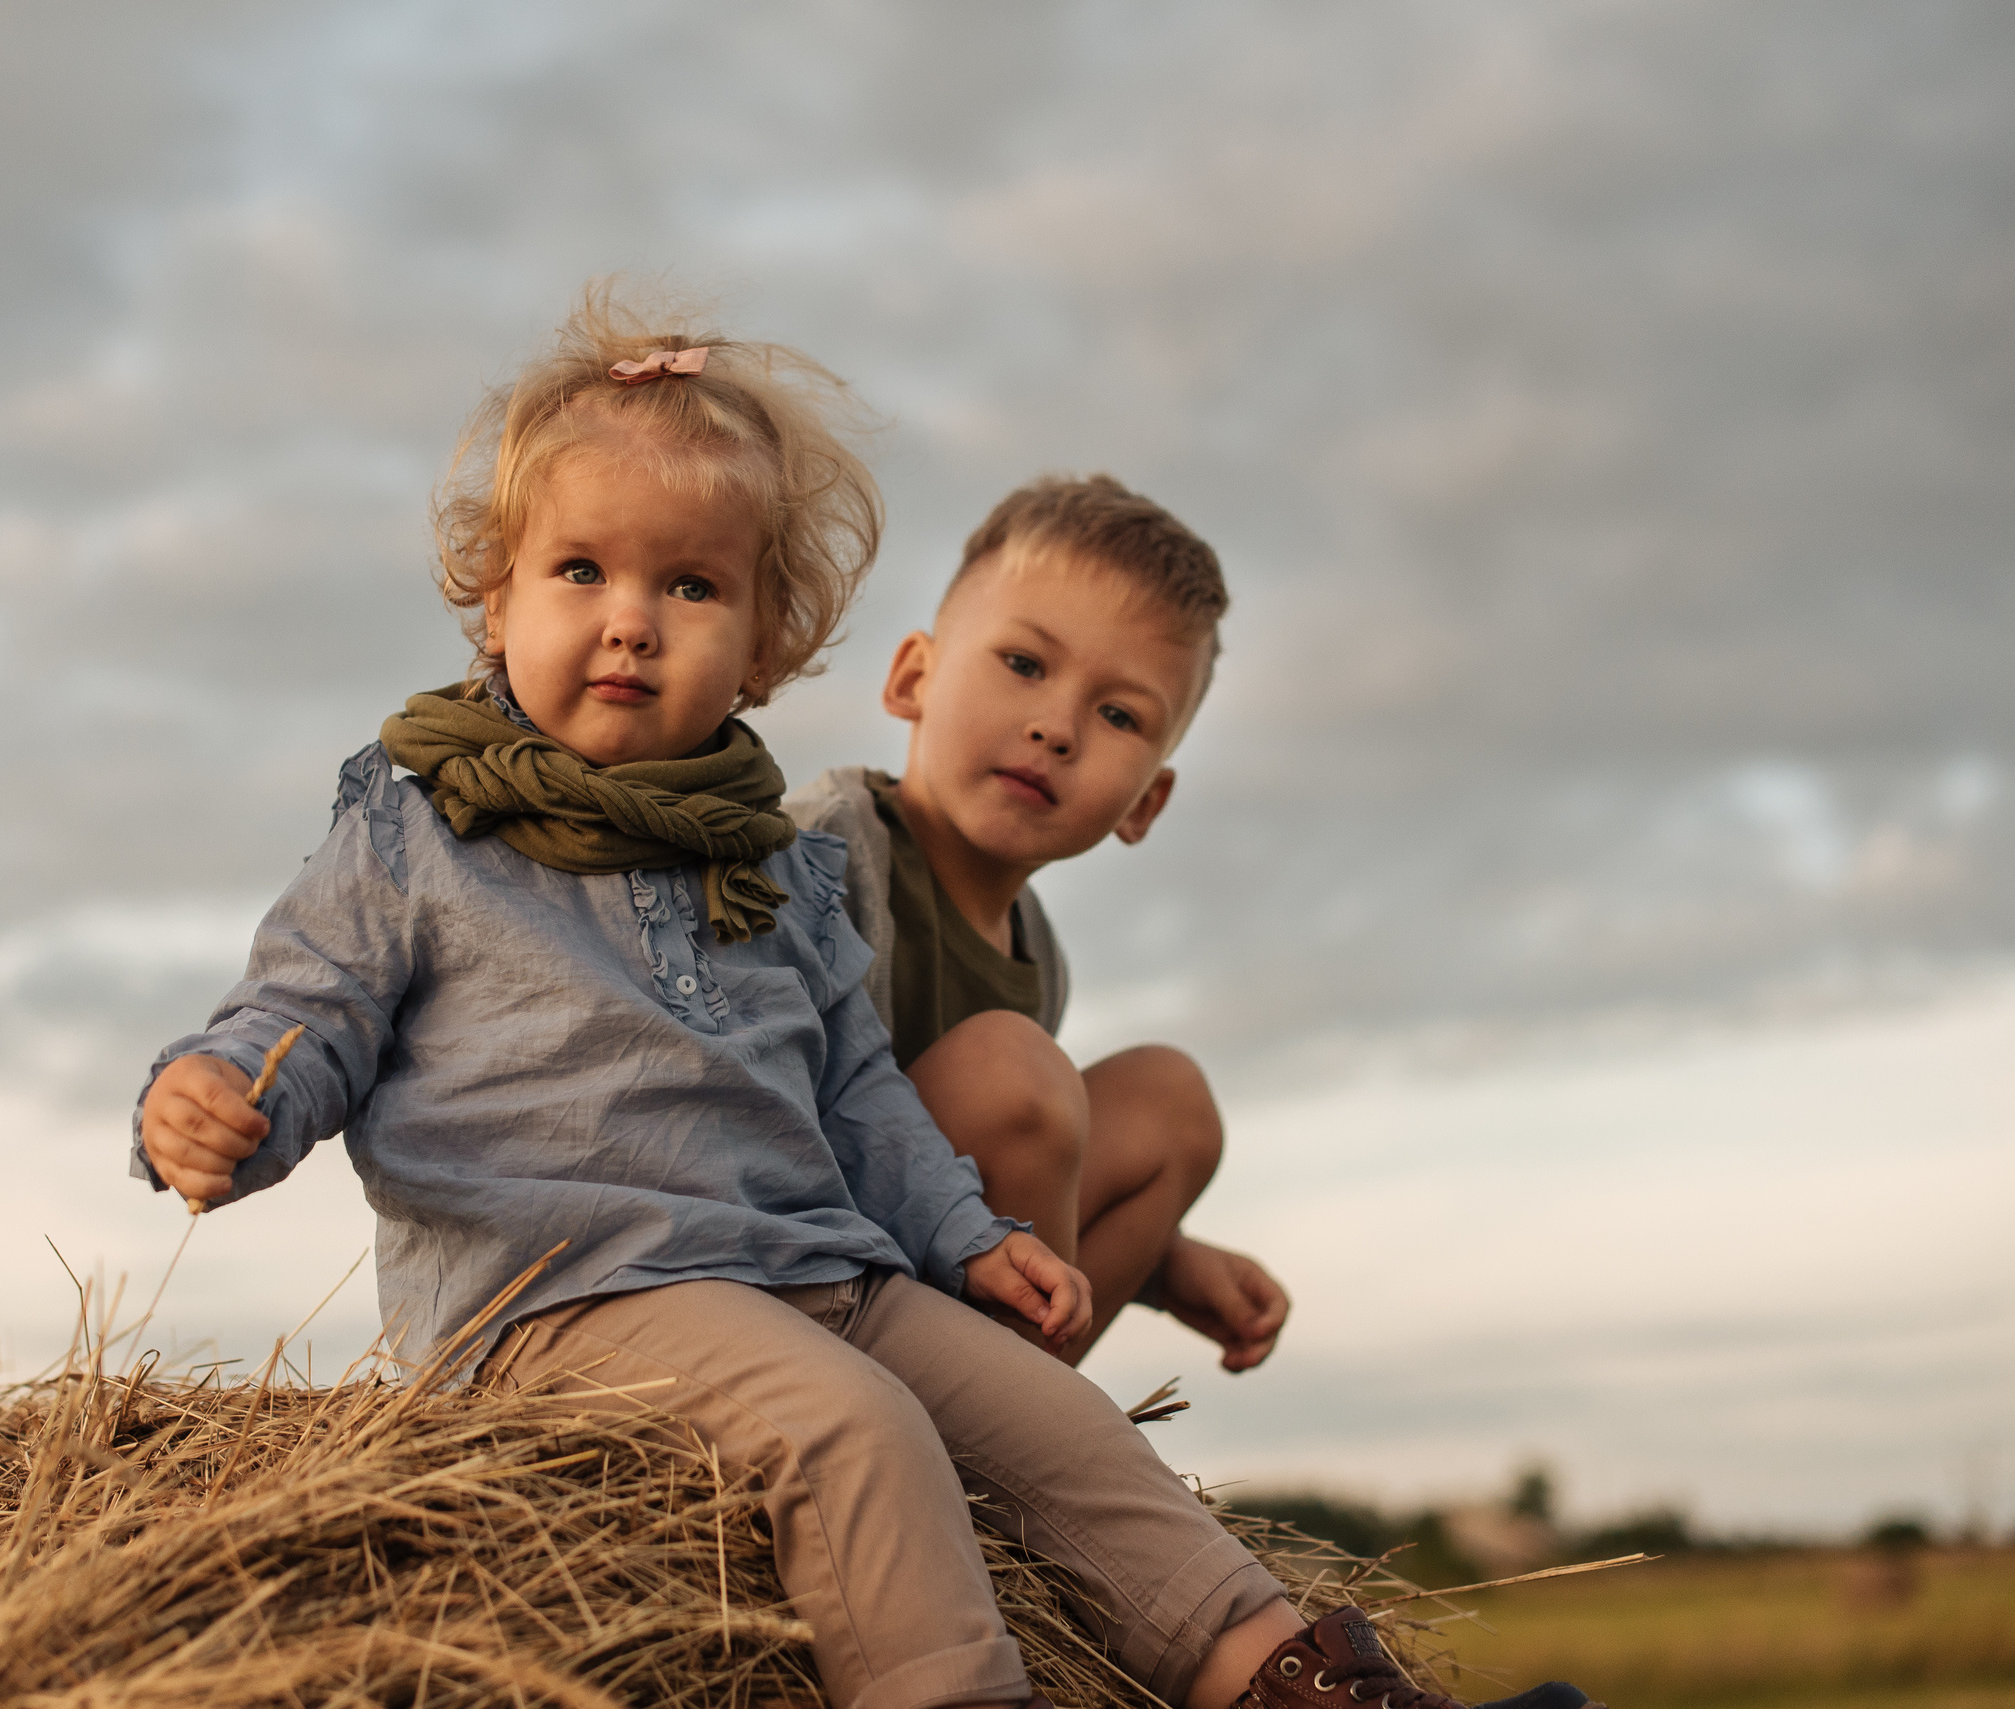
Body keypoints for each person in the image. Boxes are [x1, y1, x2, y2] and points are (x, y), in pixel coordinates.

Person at [131, 287, 1597, 1709]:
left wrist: (968, 1234)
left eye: (690, 586)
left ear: (765, 643)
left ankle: (1300, 1682)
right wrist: (225, 1100)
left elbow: (858, 1091)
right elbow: (309, 1008)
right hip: (564, 1293)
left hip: (814, 1269)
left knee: (1066, 1431)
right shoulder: (416, 827)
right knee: (856, 1430)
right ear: (493, 593)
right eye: (581, 571)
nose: (631, 621)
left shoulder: (779, 866)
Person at [788, 477, 1289, 1366]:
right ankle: (1028, 1429)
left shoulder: (1038, 955)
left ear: (1146, 803)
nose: (1057, 728)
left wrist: (1162, 1265)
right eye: (1024, 664)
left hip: (936, 1277)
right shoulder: (819, 854)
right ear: (913, 679)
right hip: (800, 1270)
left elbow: (1013, 1173)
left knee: (1173, 1102)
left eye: (1118, 714)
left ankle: (999, 1421)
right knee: (1013, 1072)